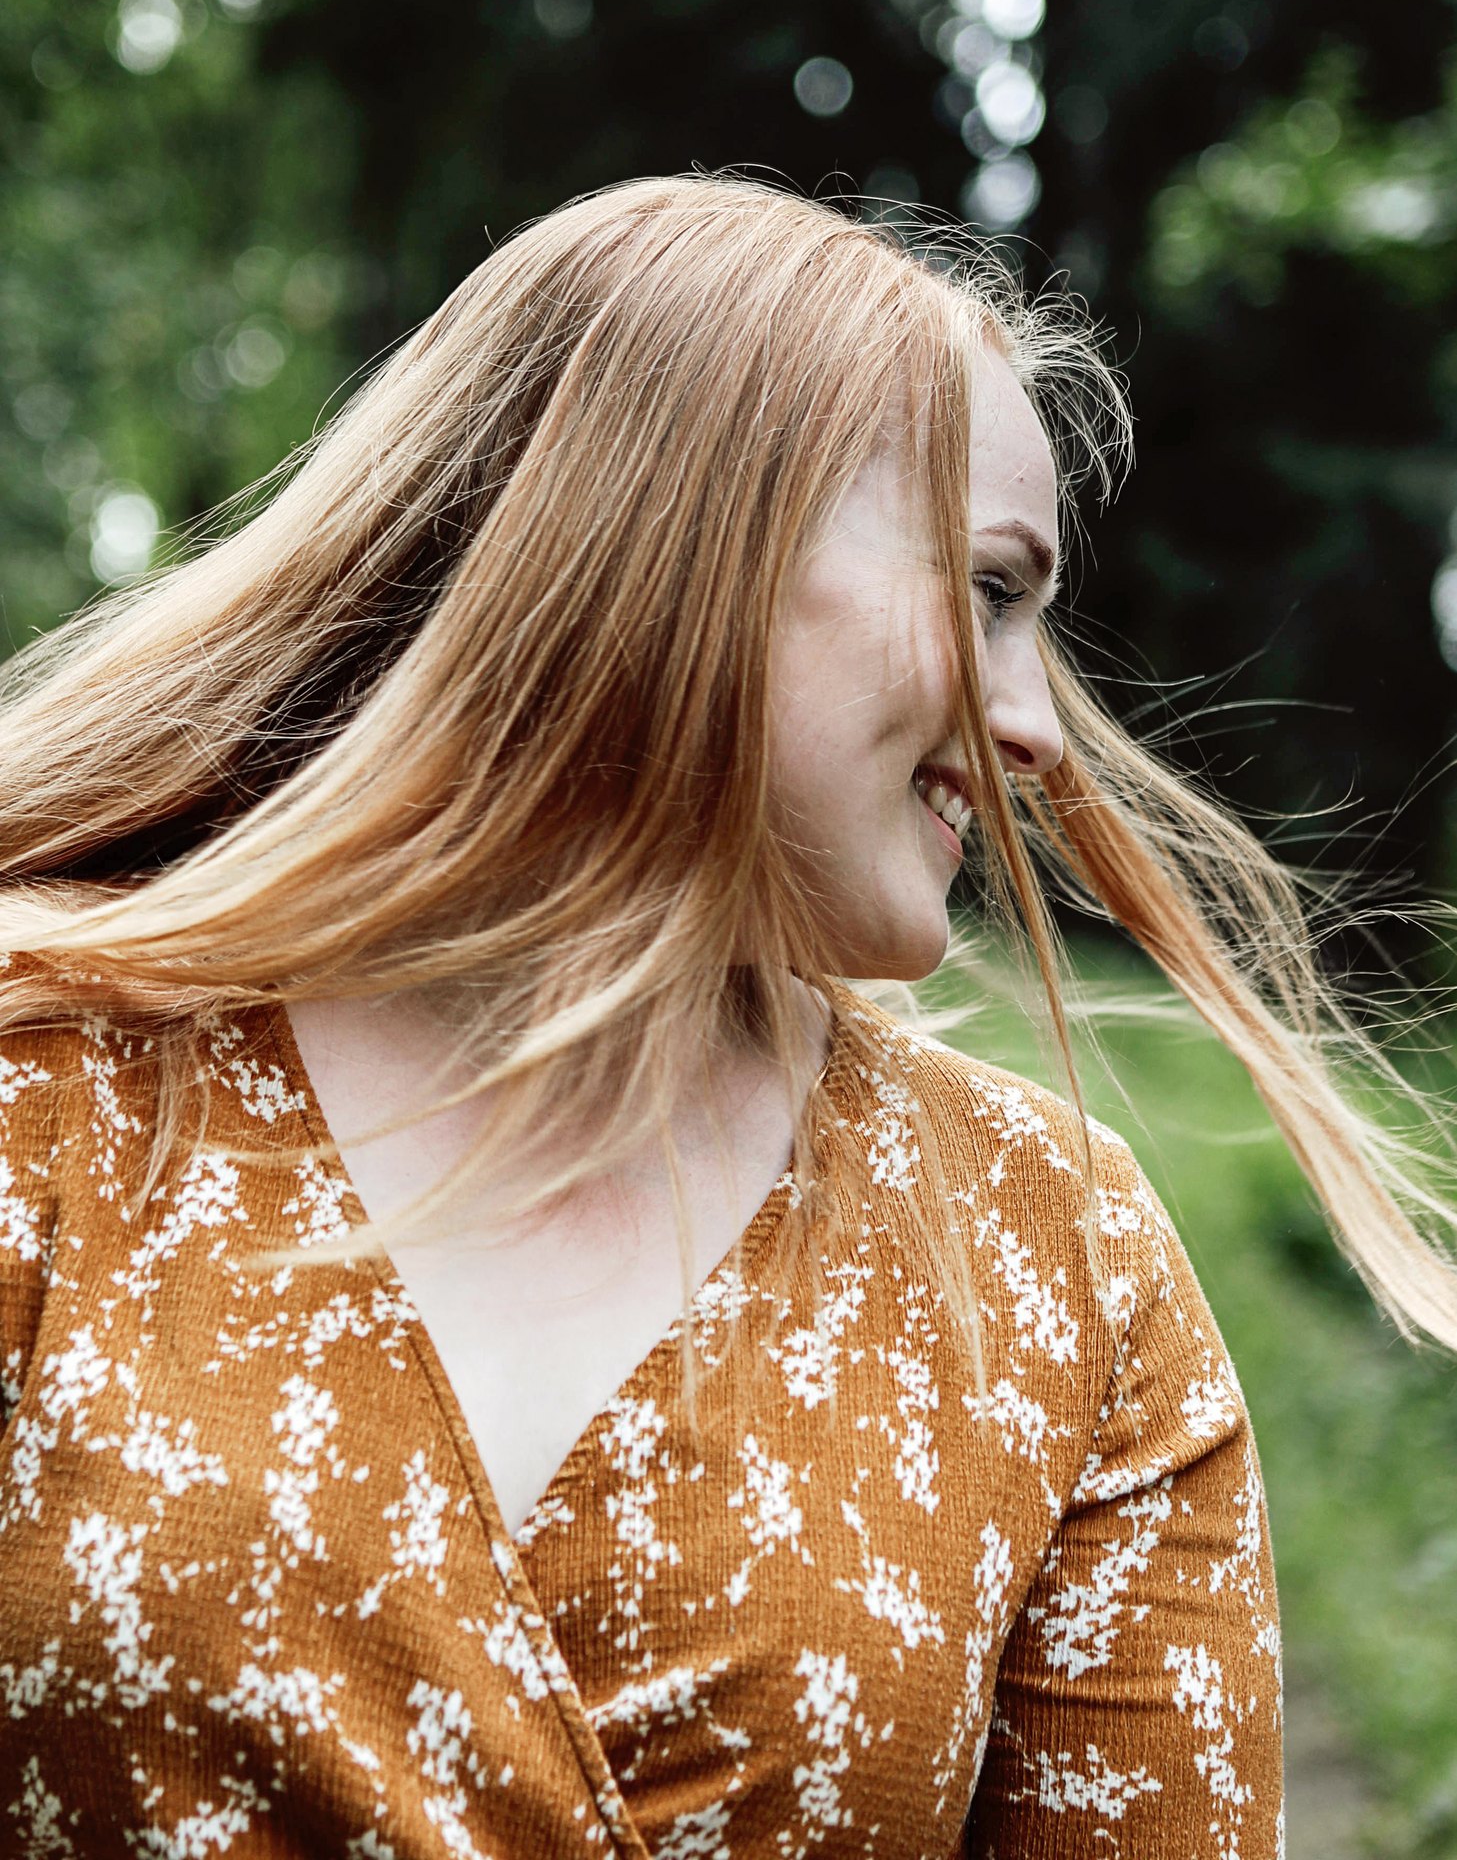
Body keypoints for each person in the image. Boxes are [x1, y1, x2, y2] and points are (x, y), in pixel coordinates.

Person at [0, 172, 1453, 1859]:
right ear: (681, 546)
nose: (1036, 730)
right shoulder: (51, 1094)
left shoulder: (1054, 1263)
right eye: (990, 593)